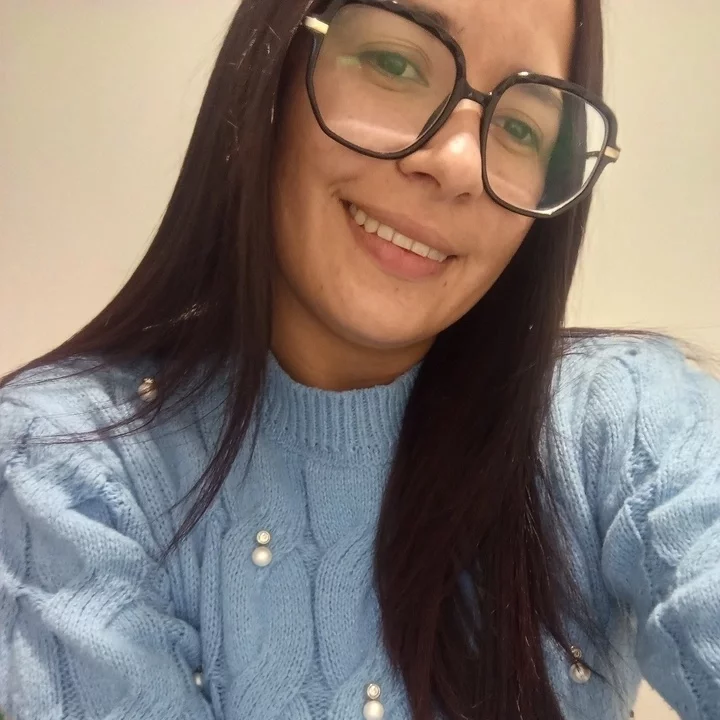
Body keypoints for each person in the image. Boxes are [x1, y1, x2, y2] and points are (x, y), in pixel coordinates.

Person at [0, 0, 718, 718]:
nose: (458, 165)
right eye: (395, 63)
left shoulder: (622, 423)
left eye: (522, 128)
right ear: (275, 67)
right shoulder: (67, 470)